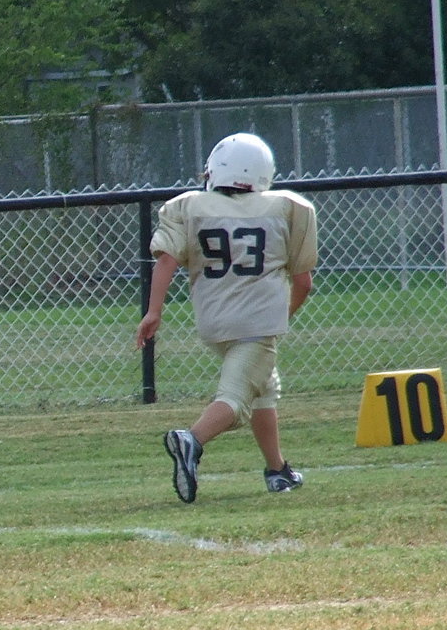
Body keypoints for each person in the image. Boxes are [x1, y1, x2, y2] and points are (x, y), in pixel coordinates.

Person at [135, 132, 319, 504]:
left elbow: (166, 259)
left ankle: (278, 470)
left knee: (264, 386)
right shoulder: (286, 207)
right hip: (257, 322)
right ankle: (192, 440)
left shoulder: (189, 206)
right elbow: (303, 282)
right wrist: (279, 317)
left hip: (213, 323)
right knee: (237, 400)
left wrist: (154, 311)